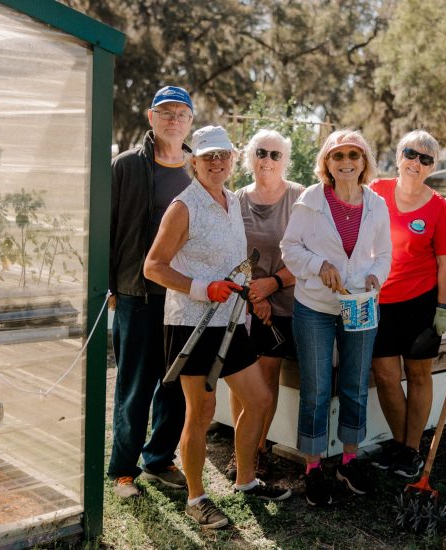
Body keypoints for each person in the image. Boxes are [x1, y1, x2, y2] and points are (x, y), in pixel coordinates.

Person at [144, 125, 291, 530]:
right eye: (208, 156)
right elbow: (153, 266)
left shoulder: (232, 201)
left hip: (231, 320)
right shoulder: (183, 206)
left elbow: (233, 263)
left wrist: (250, 303)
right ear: (194, 161)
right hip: (191, 324)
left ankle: (245, 481)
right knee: (202, 411)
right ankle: (197, 498)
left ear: (231, 159)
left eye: (223, 155)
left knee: (258, 400)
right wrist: (201, 287)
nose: (216, 162)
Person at [281, 129, 391, 506]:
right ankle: (313, 468)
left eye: (354, 155)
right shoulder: (310, 200)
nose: (346, 162)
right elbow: (289, 249)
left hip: (359, 305)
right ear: (326, 163)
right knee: (316, 388)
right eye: (337, 155)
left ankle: (347, 460)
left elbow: (384, 255)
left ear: (364, 163)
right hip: (314, 306)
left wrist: (377, 276)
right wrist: (318, 265)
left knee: (356, 383)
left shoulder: (376, 204)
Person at [108, 85, 194, 498]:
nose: (173, 119)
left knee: (175, 385)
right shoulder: (126, 166)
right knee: (134, 386)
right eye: (165, 112)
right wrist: (109, 286)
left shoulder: (199, 169)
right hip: (135, 294)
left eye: (181, 113)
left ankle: (158, 459)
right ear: (150, 117)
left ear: (190, 121)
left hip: (184, 297)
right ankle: (124, 470)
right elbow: (107, 227)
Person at [369, 130, 446, 478]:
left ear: (432, 167)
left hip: (421, 304)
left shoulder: (437, 206)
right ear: (398, 155)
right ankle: (401, 443)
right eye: (410, 154)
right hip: (378, 302)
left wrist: (444, 308)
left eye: (425, 159)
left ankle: (411, 449)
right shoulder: (376, 190)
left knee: (419, 376)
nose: (416, 163)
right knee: (387, 377)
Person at [224, 130, 304, 481]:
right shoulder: (236, 200)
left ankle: (257, 451)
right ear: (249, 158)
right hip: (243, 304)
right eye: (261, 153)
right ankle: (239, 451)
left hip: (285, 304)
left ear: (284, 160)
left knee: (266, 377)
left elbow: (310, 254)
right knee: (242, 378)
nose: (267, 160)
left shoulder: (299, 198)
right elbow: (229, 254)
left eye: (275, 155)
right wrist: (255, 296)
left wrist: (272, 285)